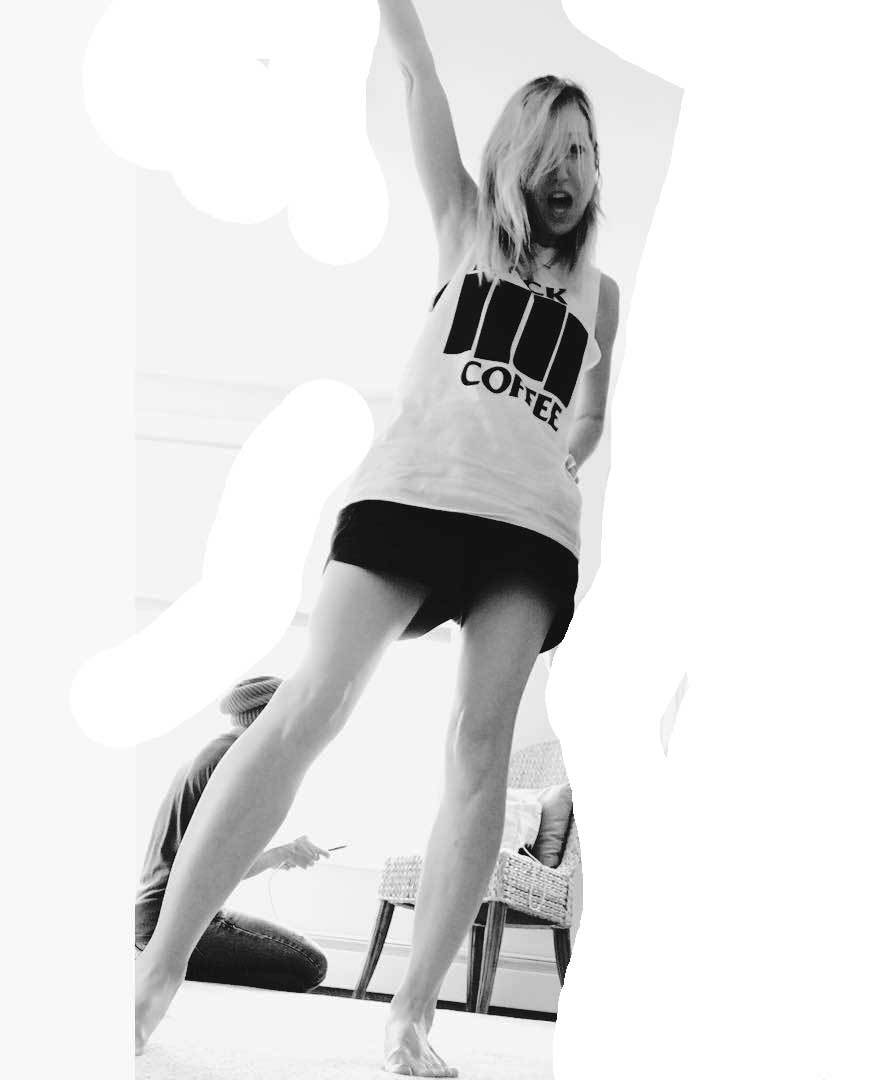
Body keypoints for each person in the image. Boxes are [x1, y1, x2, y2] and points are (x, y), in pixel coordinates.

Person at [135, 1, 620, 1074]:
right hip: (413, 490)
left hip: (529, 527)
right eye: (552, 149)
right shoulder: (463, 224)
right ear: (517, 157)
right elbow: (416, 76)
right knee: (309, 705)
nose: (570, 169)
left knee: (479, 749)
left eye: (585, 152)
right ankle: (157, 971)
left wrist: (575, 448)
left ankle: (408, 1019)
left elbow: (592, 408)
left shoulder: (602, 295)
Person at [135, 676, 329, 993]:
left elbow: (208, 860)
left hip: (156, 913)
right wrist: (281, 854)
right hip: (169, 922)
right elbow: (215, 870)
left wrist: (283, 852)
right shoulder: (236, 763)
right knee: (311, 964)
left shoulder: (215, 751)